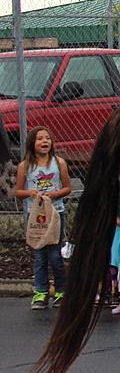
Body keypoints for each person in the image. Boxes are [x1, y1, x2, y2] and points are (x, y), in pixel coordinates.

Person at [15, 126, 71, 309]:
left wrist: (55, 194)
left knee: (55, 255)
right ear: (32, 143)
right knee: (39, 255)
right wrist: (30, 192)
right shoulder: (25, 166)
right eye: (40, 138)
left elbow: (67, 188)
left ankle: (61, 290)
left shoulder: (59, 163)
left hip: (55, 214)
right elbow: (18, 191)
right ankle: (40, 292)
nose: (44, 141)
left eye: (47, 138)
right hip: (36, 216)